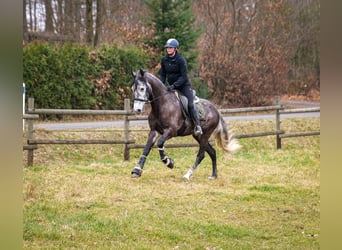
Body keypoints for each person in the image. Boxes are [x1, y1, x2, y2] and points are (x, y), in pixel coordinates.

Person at [160, 38, 203, 136]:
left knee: (190, 104)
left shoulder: (181, 60)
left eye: (170, 48)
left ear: (175, 49)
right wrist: (161, 86)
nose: (168, 49)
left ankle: (198, 125)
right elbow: (163, 75)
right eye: (167, 48)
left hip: (184, 86)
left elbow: (184, 77)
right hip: (171, 87)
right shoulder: (164, 60)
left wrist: (174, 85)